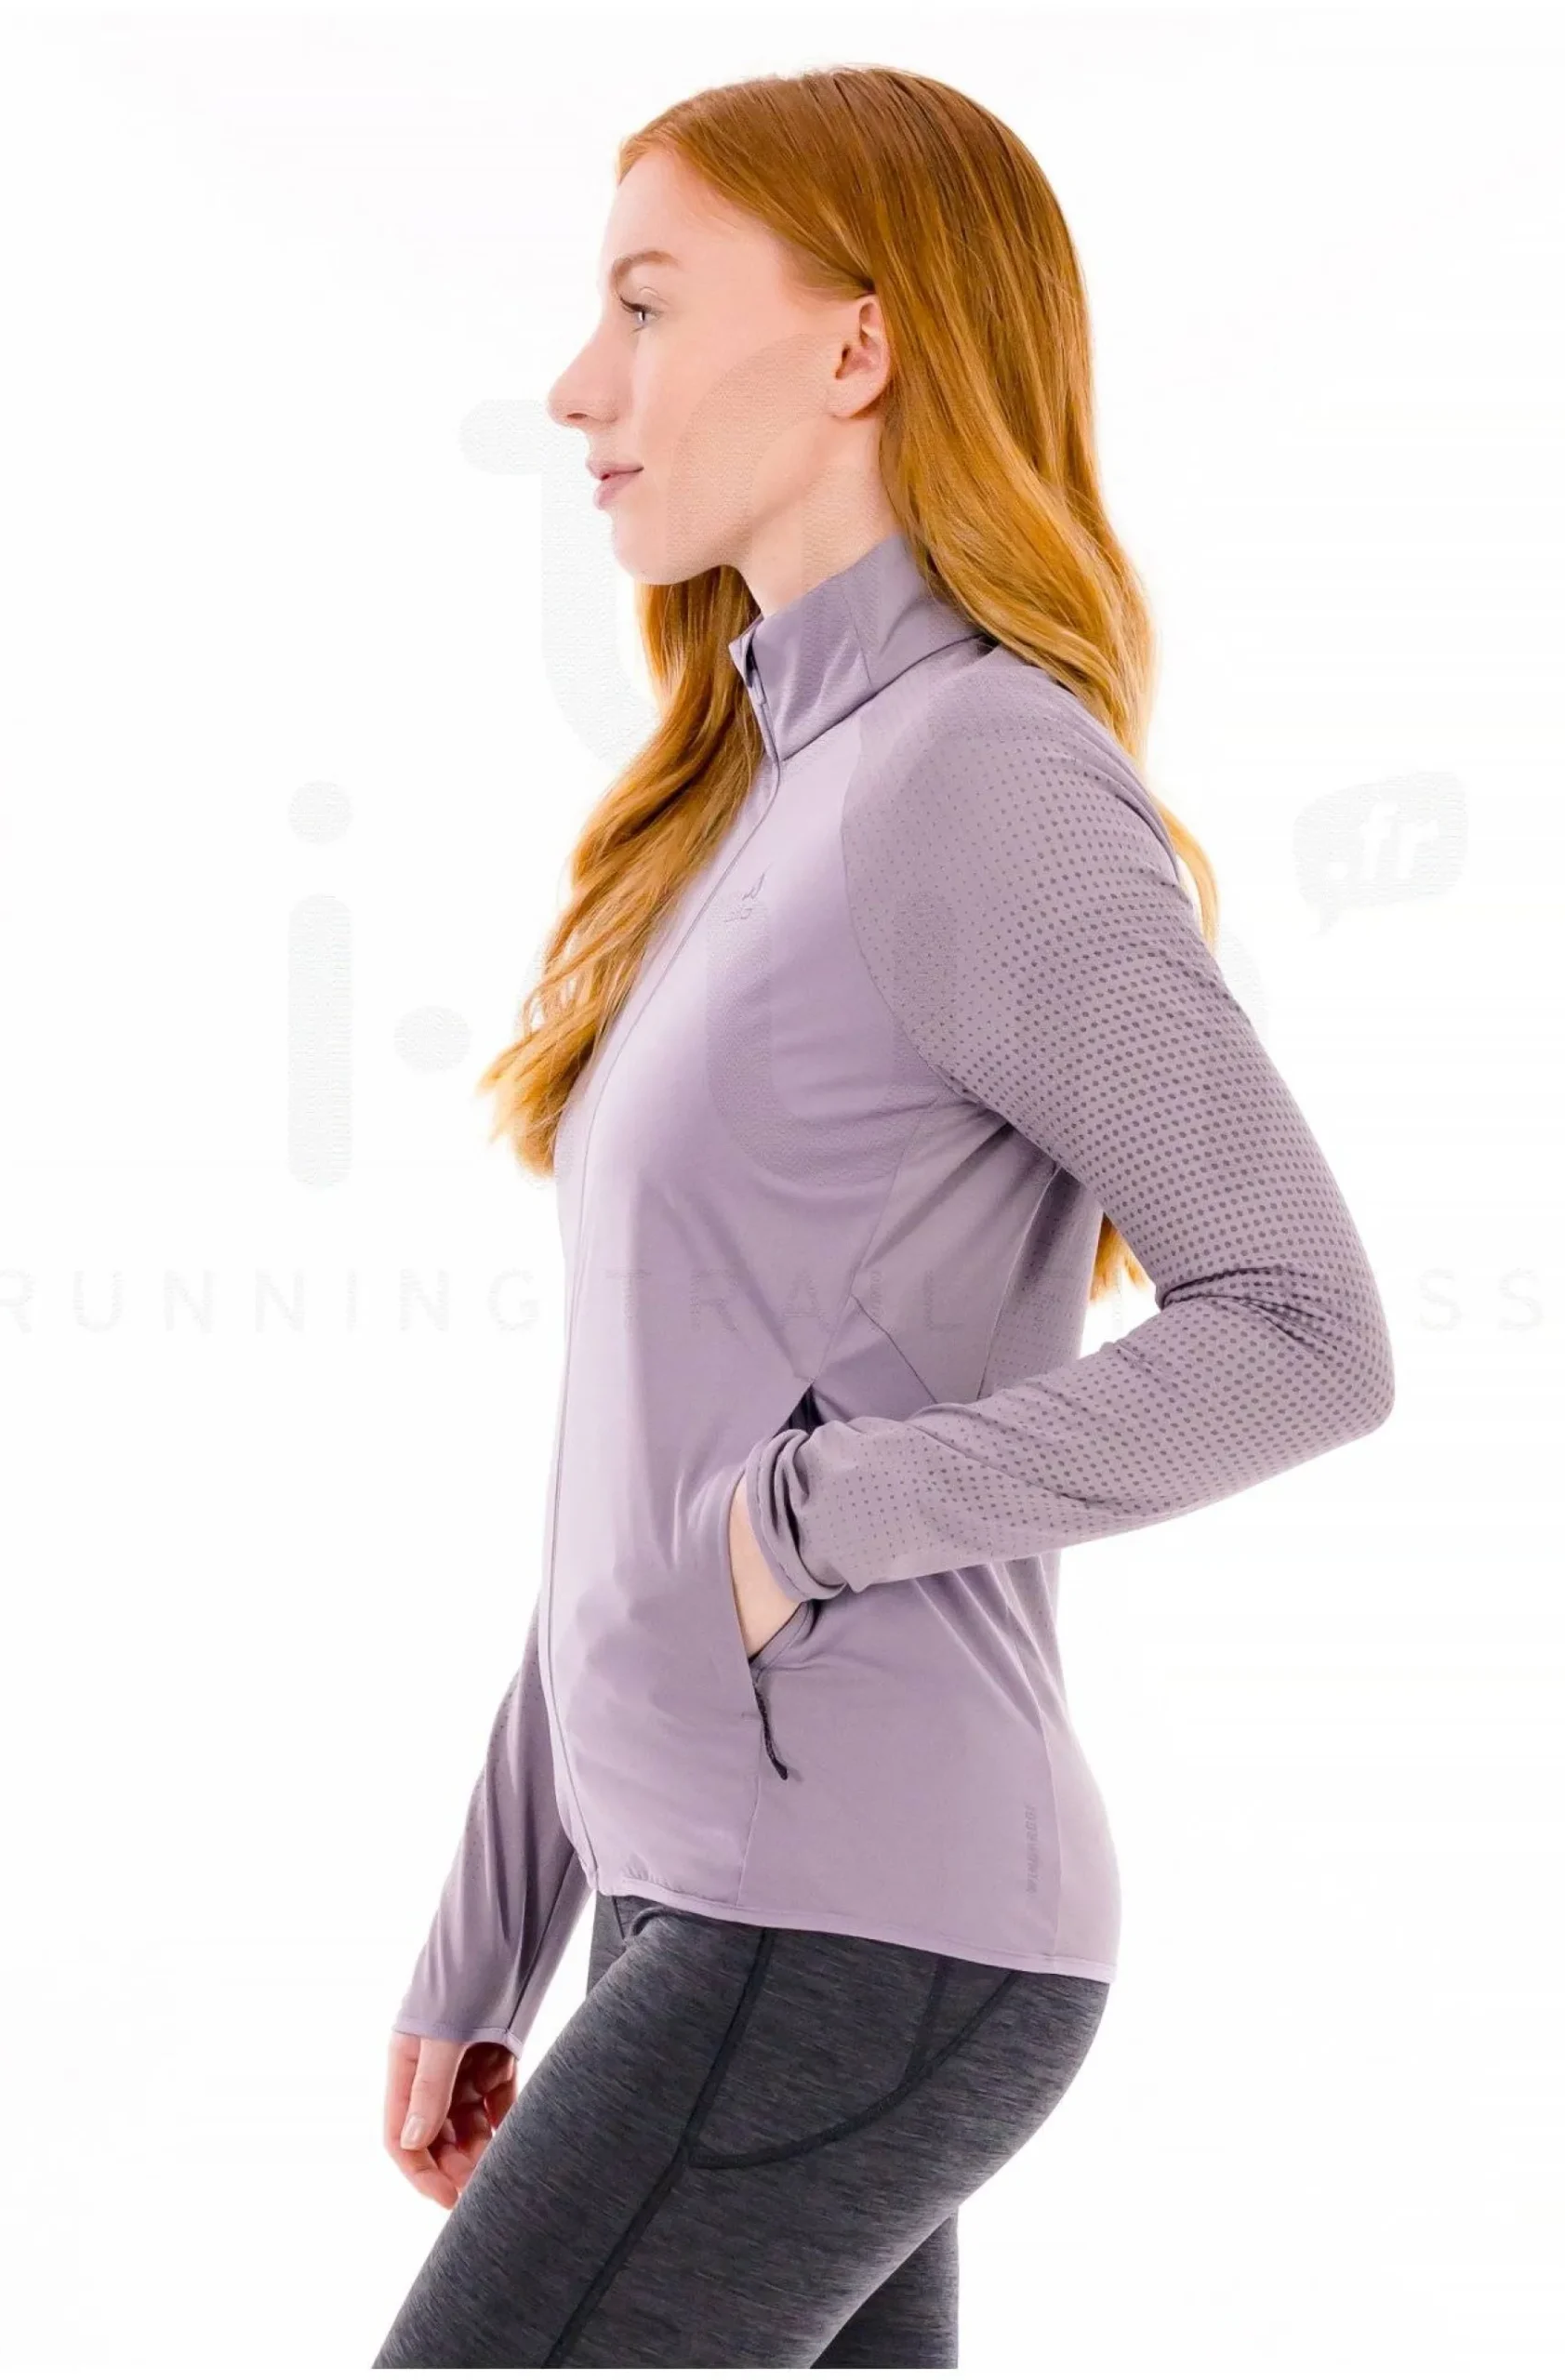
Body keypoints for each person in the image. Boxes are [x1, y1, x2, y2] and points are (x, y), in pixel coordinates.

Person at [371, 63, 1395, 2368]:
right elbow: (645, 1458)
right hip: (712, 1898)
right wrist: (491, 1921)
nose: (577, 386)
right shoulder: (764, 802)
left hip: (844, 1913)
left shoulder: (978, 774)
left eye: (645, 305)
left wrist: (807, 1520)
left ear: (857, 344)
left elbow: (1302, 1325)